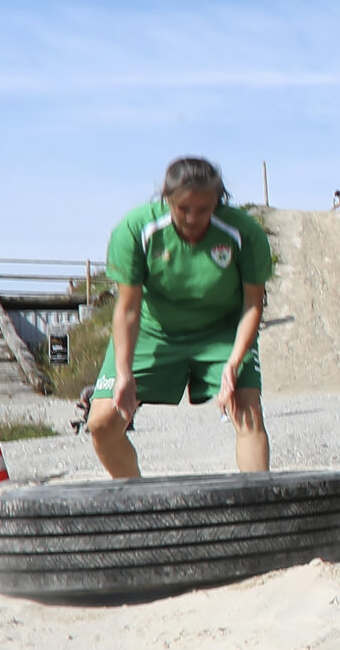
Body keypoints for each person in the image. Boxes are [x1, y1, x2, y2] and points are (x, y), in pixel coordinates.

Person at [87, 156, 275, 478]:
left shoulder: (243, 232)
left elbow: (253, 305)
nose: (193, 219)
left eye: (204, 209)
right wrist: (123, 372)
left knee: (248, 412)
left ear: (219, 199)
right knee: (102, 423)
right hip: (154, 331)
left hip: (222, 330)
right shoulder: (135, 229)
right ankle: (139, 504)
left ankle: (261, 507)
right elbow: (128, 308)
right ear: (166, 198)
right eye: (183, 209)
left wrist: (233, 363)